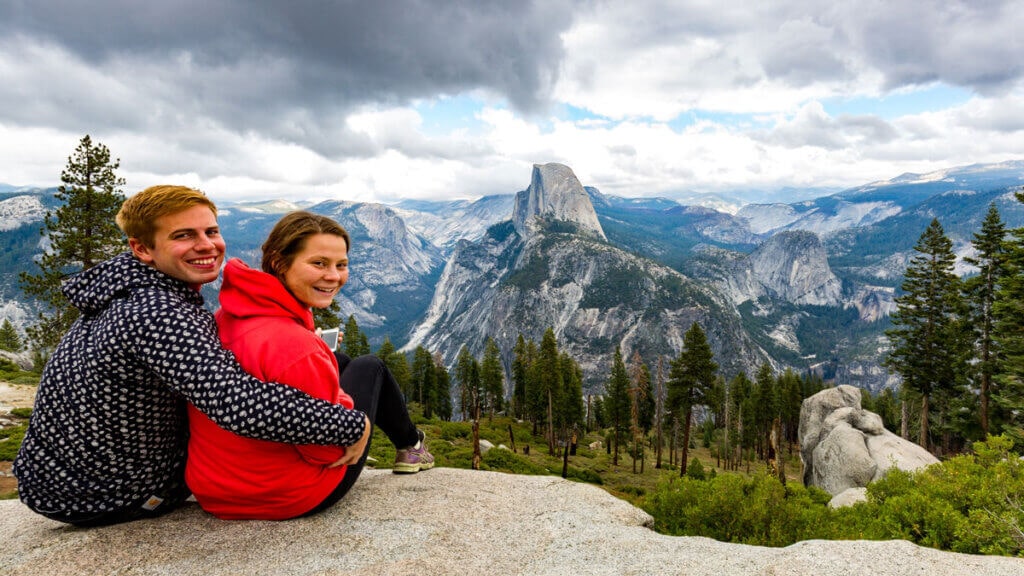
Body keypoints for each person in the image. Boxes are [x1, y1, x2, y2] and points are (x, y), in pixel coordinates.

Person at [13, 186, 370, 527]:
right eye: (183, 235)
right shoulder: (157, 313)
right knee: (364, 375)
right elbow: (238, 405)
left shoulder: (128, 287)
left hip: (60, 480)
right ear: (142, 249)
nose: (207, 246)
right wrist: (352, 425)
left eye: (211, 231)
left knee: (339, 364)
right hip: (108, 495)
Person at [185, 210, 433, 520]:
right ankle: (411, 446)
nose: (333, 276)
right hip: (287, 494)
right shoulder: (297, 349)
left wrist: (318, 354)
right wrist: (350, 412)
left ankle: (409, 443)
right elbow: (328, 451)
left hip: (219, 486)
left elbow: (266, 359)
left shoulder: (229, 314)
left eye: (341, 265)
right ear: (279, 263)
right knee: (370, 366)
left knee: (340, 360)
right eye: (319, 263)